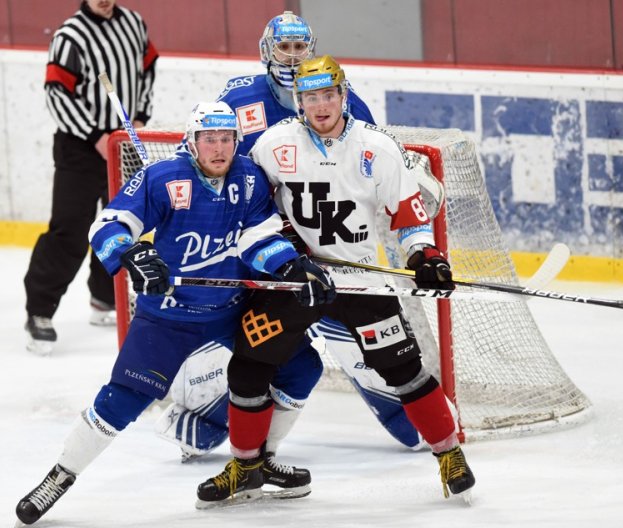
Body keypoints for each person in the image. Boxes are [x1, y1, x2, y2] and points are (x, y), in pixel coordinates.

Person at [14, 101, 336, 526]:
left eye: (226, 139)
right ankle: (61, 475)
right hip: (167, 316)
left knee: (302, 368)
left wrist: (292, 268)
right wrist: (131, 254)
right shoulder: (163, 178)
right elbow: (107, 226)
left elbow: (259, 237)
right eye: (209, 140)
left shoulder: (251, 179)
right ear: (192, 141)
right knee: (121, 401)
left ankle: (260, 461)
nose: (218, 149)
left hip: (232, 310)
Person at [195, 56, 476, 507]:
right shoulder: (273, 144)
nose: (320, 105)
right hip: (296, 281)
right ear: (297, 101)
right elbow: (253, 209)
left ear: (344, 96)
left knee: (404, 370)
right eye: (309, 97)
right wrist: (279, 254)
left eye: (328, 95)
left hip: (360, 279)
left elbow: (408, 215)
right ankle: (247, 466)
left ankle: (449, 455)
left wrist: (425, 255)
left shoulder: (376, 148)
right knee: (249, 366)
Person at [155, 11, 429, 473]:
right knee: (243, 345)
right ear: (268, 50)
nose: (294, 56)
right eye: (285, 48)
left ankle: (409, 412)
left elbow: (380, 161)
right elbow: (212, 160)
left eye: (302, 47)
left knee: (391, 401)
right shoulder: (239, 96)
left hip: (334, 256)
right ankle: (203, 421)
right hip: (266, 252)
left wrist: (415, 182)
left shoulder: (348, 101)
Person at [23, 0, 158, 355]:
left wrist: (141, 116)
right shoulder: (70, 36)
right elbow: (57, 95)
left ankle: (103, 296)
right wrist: (95, 136)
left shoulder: (134, 23)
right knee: (69, 229)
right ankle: (39, 311)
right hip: (81, 147)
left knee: (120, 222)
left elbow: (147, 67)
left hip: (125, 141)